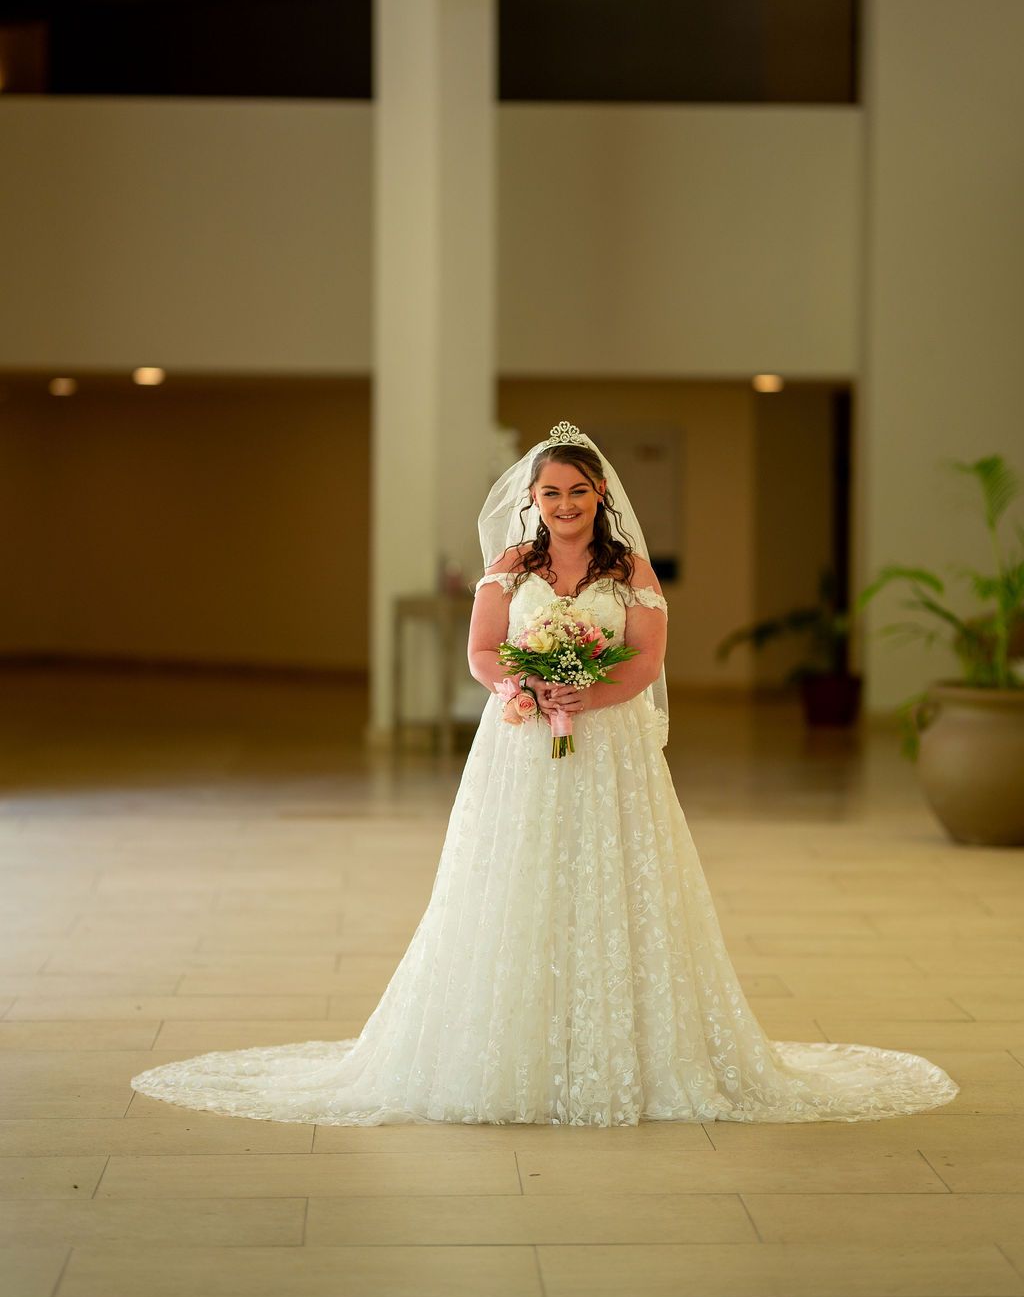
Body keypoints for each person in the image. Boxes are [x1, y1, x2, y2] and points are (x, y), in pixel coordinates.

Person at [130, 421, 959, 1126]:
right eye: (551, 493)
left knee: (612, 878)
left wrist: (588, 689)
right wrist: (524, 685)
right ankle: (512, 1047)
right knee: (519, 876)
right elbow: (481, 650)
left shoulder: (630, 572)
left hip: (611, 746)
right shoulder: (510, 565)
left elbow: (646, 660)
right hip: (524, 743)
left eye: (577, 492)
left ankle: (624, 1046)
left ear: (600, 496)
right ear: (533, 498)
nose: (564, 505)